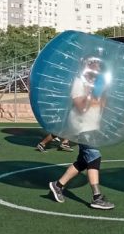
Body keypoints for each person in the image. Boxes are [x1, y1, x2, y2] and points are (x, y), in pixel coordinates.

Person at [47, 56, 113, 210]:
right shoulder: (78, 83)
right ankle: (97, 197)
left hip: (91, 125)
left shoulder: (96, 83)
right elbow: (81, 107)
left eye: (98, 64)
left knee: (83, 162)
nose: (97, 67)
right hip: (81, 126)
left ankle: (58, 185)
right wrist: (90, 93)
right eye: (94, 64)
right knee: (94, 158)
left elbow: (102, 105)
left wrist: (102, 93)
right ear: (87, 66)